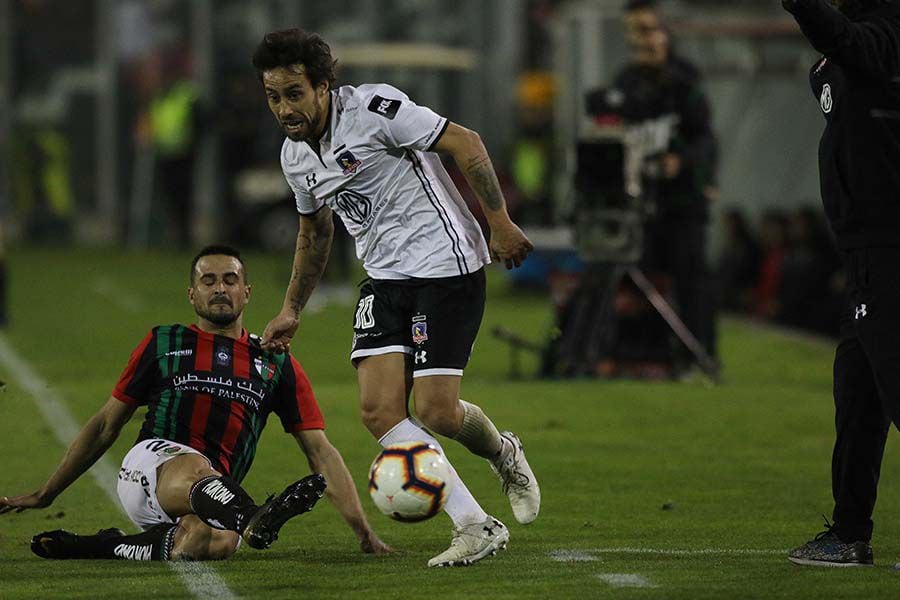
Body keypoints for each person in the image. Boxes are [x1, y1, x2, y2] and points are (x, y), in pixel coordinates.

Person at [253, 29, 541, 567]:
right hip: (384, 280)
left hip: (443, 266)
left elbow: (467, 142)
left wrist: (499, 222)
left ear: (323, 87)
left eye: (295, 93)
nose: (284, 108)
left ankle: (503, 453)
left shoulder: (375, 110)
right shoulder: (295, 156)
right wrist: (292, 308)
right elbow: (315, 233)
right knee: (377, 411)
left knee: (436, 411)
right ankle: (475, 524)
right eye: (273, 96)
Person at [0, 245, 390, 560]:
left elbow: (320, 451)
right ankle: (250, 515)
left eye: (230, 280)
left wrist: (364, 533)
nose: (220, 289)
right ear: (192, 294)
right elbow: (106, 424)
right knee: (194, 465)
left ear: (246, 292)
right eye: (208, 281)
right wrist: (46, 493)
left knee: (212, 542)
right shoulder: (164, 342)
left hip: (215, 494)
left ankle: (100, 545)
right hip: (151, 469)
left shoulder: (276, 363)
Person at [783, 0, 900, 567]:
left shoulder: (890, 30)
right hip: (862, 251)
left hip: (891, 245)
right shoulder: (854, 41)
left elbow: (857, 46)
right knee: (857, 397)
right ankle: (849, 532)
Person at [608, 0, 719, 370]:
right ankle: (653, 354)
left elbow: (705, 136)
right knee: (646, 280)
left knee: (691, 280)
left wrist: (687, 164)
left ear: (661, 30)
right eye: (634, 31)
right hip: (644, 198)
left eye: (646, 29)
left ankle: (700, 355)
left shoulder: (684, 79)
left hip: (683, 197)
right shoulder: (626, 82)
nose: (642, 39)